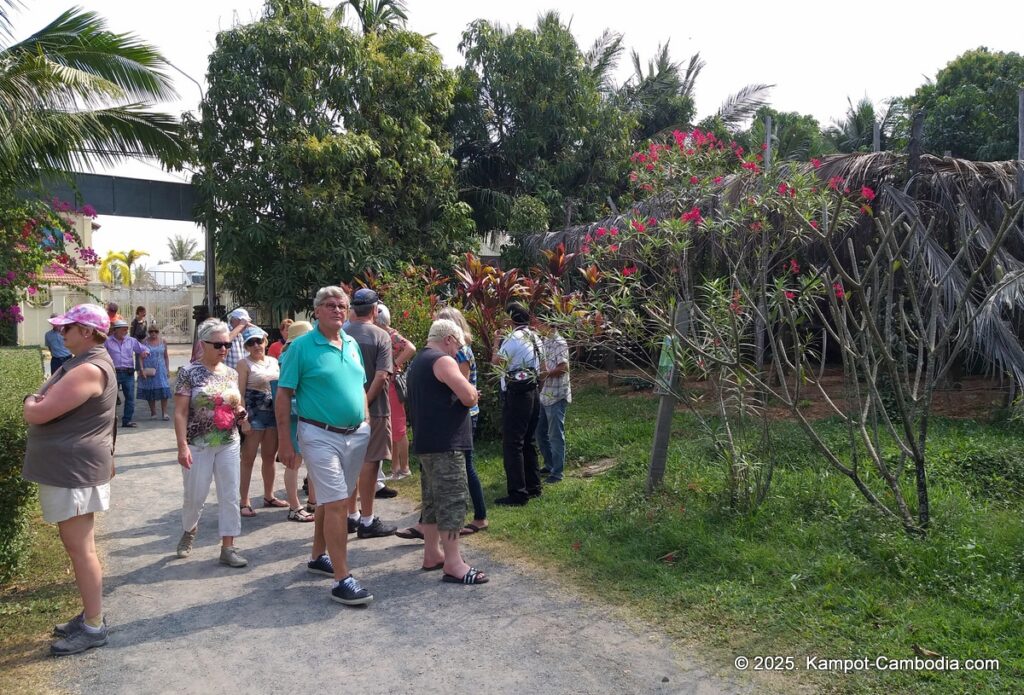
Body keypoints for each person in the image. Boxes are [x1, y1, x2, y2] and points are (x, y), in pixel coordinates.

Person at [23, 304, 117, 656]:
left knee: (80, 548)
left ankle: (94, 626)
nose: (61, 334)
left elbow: (37, 411)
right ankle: (91, 615)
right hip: (73, 468)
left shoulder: (86, 369)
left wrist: (30, 400)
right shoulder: (81, 363)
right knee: (80, 547)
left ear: (87, 332)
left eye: (68, 328)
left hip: (73, 470)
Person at [275, 286, 374, 606]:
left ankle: (319, 556)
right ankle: (342, 578)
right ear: (316, 311)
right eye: (330, 305)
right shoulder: (301, 348)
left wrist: (367, 420)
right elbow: (283, 394)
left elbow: (360, 385)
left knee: (336, 500)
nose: (337, 310)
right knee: (336, 504)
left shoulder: (351, 343)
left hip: (355, 433)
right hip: (319, 434)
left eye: (342, 306)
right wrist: (284, 442)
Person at [407, 318, 487, 584]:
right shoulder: (442, 360)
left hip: (427, 442)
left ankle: (432, 553)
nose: (458, 353)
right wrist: (474, 391)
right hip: (447, 443)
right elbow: (468, 395)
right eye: (458, 347)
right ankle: (454, 563)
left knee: (431, 501)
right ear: (449, 340)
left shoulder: (418, 361)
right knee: (452, 500)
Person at [173, 318, 249, 568]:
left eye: (226, 344)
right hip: (198, 443)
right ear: (203, 344)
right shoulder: (188, 373)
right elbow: (181, 412)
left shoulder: (231, 373)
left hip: (228, 440)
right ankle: (189, 529)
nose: (223, 349)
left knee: (229, 494)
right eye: (217, 344)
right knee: (195, 496)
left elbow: (234, 403)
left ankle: (228, 547)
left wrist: (241, 412)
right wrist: (182, 445)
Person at [343, 288, 398, 538]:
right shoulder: (381, 336)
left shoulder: (340, 333)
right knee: (370, 461)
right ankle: (366, 519)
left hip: (340, 410)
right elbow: (382, 374)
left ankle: (350, 515)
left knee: (348, 462)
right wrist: (364, 402)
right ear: (375, 310)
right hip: (374, 409)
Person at [437, 306, 488, 533]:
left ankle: (480, 516)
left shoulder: (461, 352)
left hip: (466, 414)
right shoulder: (455, 351)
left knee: (467, 464)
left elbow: (462, 388)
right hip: (461, 412)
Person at [236, 326, 293, 517]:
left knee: (269, 456)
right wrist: (243, 420)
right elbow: (240, 394)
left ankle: (269, 496)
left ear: (265, 341)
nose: (256, 345)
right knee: (248, 458)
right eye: (251, 342)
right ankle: (244, 500)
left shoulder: (273, 361)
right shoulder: (244, 364)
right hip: (253, 413)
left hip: (273, 412)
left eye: (258, 341)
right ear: (246, 346)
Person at [493, 302, 543, 506]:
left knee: (513, 444)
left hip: (516, 394)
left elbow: (497, 362)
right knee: (529, 440)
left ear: (510, 320)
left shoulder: (512, 340)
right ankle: (534, 486)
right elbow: (543, 365)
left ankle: (518, 493)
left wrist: (497, 342)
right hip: (533, 390)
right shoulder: (535, 336)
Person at [279, 321, 318, 516]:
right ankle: (294, 506)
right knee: (294, 461)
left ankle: (313, 501)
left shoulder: (297, 354)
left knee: (310, 459)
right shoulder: (289, 356)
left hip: (306, 412)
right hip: (295, 413)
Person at [374, 304, 415, 480]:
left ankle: (404, 468)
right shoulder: (384, 334)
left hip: (393, 384)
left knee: (398, 427)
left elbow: (411, 348)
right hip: (388, 384)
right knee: (392, 426)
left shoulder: (391, 334)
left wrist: (394, 365)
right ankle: (396, 468)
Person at [537, 312, 571, 483]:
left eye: (538, 323)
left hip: (557, 395)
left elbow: (563, 367)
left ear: (547, 324)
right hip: (544, 394)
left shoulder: (559, 342)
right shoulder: (544, 341)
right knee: (540, 432)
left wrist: (545, 374)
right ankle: (550, 464)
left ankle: (557, 473)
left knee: (555, 434)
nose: (535, 326)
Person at [104, 318, 149, 429]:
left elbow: (144, 348)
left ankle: (127, 421)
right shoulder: (107, 341)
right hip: (114, 373)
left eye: (126, 329)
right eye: (123, 329)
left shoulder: (131, 341)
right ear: (115, 330)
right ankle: (110, 422)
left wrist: (146, 352)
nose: (126, 331)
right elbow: (100, 353)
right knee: (111, 399)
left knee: (130, 398)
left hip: (128, 373)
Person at [137, 325, 172, 420]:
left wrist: (167, 369)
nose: (153, 333)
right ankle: (153, 412)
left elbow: (166, 356)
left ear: (158, 332)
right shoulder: (144, 342)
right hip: (149, 368)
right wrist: (141, 369)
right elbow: (140, 357)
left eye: (155, 331)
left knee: (164, 389)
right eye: (151, 331)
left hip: (160, 369)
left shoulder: (163, 342)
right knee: (150, 389)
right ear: (148, 332)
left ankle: (164, 413)